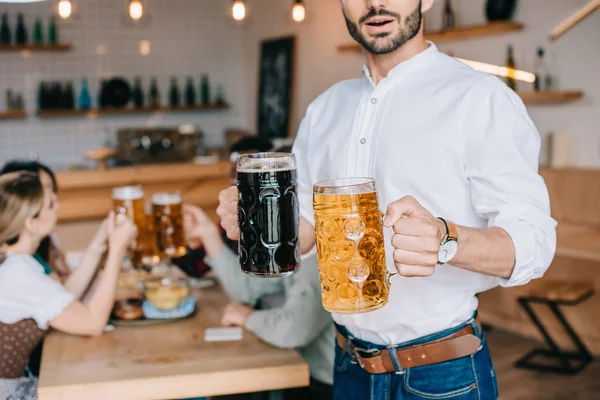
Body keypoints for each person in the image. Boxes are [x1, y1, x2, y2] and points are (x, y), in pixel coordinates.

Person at [216, 0, 557, 399]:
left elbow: (535, 242)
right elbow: (304, 233)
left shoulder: (480, 98)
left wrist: (446, 240)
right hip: (346, 367)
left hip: (442, 375)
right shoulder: (326, 108)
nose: (375, 2)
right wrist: (258, 222)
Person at [0, 172, 137, 400]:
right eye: (51, 204)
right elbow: (92, 322)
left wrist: (97, 246)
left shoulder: (16, 261)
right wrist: (116, 252)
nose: (58, 206)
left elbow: (62, 300)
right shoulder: (18, 272)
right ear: (31, 223)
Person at [183, 204, 334, 400]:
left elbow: (295, 330)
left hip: (327, 384)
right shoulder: (293, 242)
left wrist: (248, 317)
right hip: (305, 374)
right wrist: (208, 234)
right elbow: (247, 289)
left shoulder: (319, 250)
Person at [0, 161, 71, 280]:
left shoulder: (36, 249)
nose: (53, 197)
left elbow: (60, 290)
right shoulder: (19, 264)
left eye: (52, 188)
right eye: (44, 189)